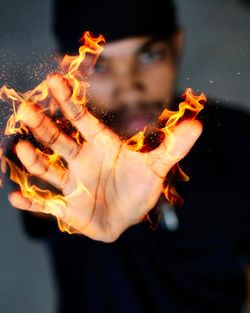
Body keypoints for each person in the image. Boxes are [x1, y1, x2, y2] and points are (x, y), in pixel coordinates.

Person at [5, 0, 250, 312]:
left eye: (148, 55)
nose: (130, 88)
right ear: (67, 69)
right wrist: (77, 196)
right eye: (100, 65)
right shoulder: (50, 142)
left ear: (176, 46)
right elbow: (40, 180)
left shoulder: (236, 137)